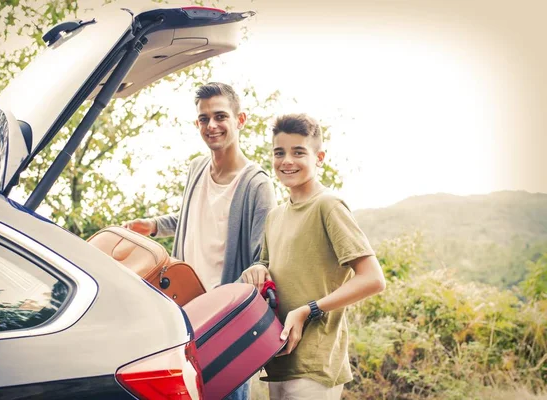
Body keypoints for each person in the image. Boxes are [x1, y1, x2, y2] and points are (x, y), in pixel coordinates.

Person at [124, 82, 276, 400]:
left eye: (220, 116)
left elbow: (261, 257)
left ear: (241, 120)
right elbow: (194, 218)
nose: (212, 125)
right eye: (204, 118)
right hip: (180, 308)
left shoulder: (256, 184)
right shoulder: (196, 168)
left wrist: (231, 309)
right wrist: (153, 225)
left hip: (223, 321)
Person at [240, 113, 386, 400]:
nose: (287, 161)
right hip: (278, 358)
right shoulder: (276, 215)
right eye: (279, 152)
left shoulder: (328, 206)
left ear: (319, 157)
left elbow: (373, 279)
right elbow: (269, 265)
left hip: (316, 364)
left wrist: (308, 309)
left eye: (298, 152)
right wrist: (256, 269)